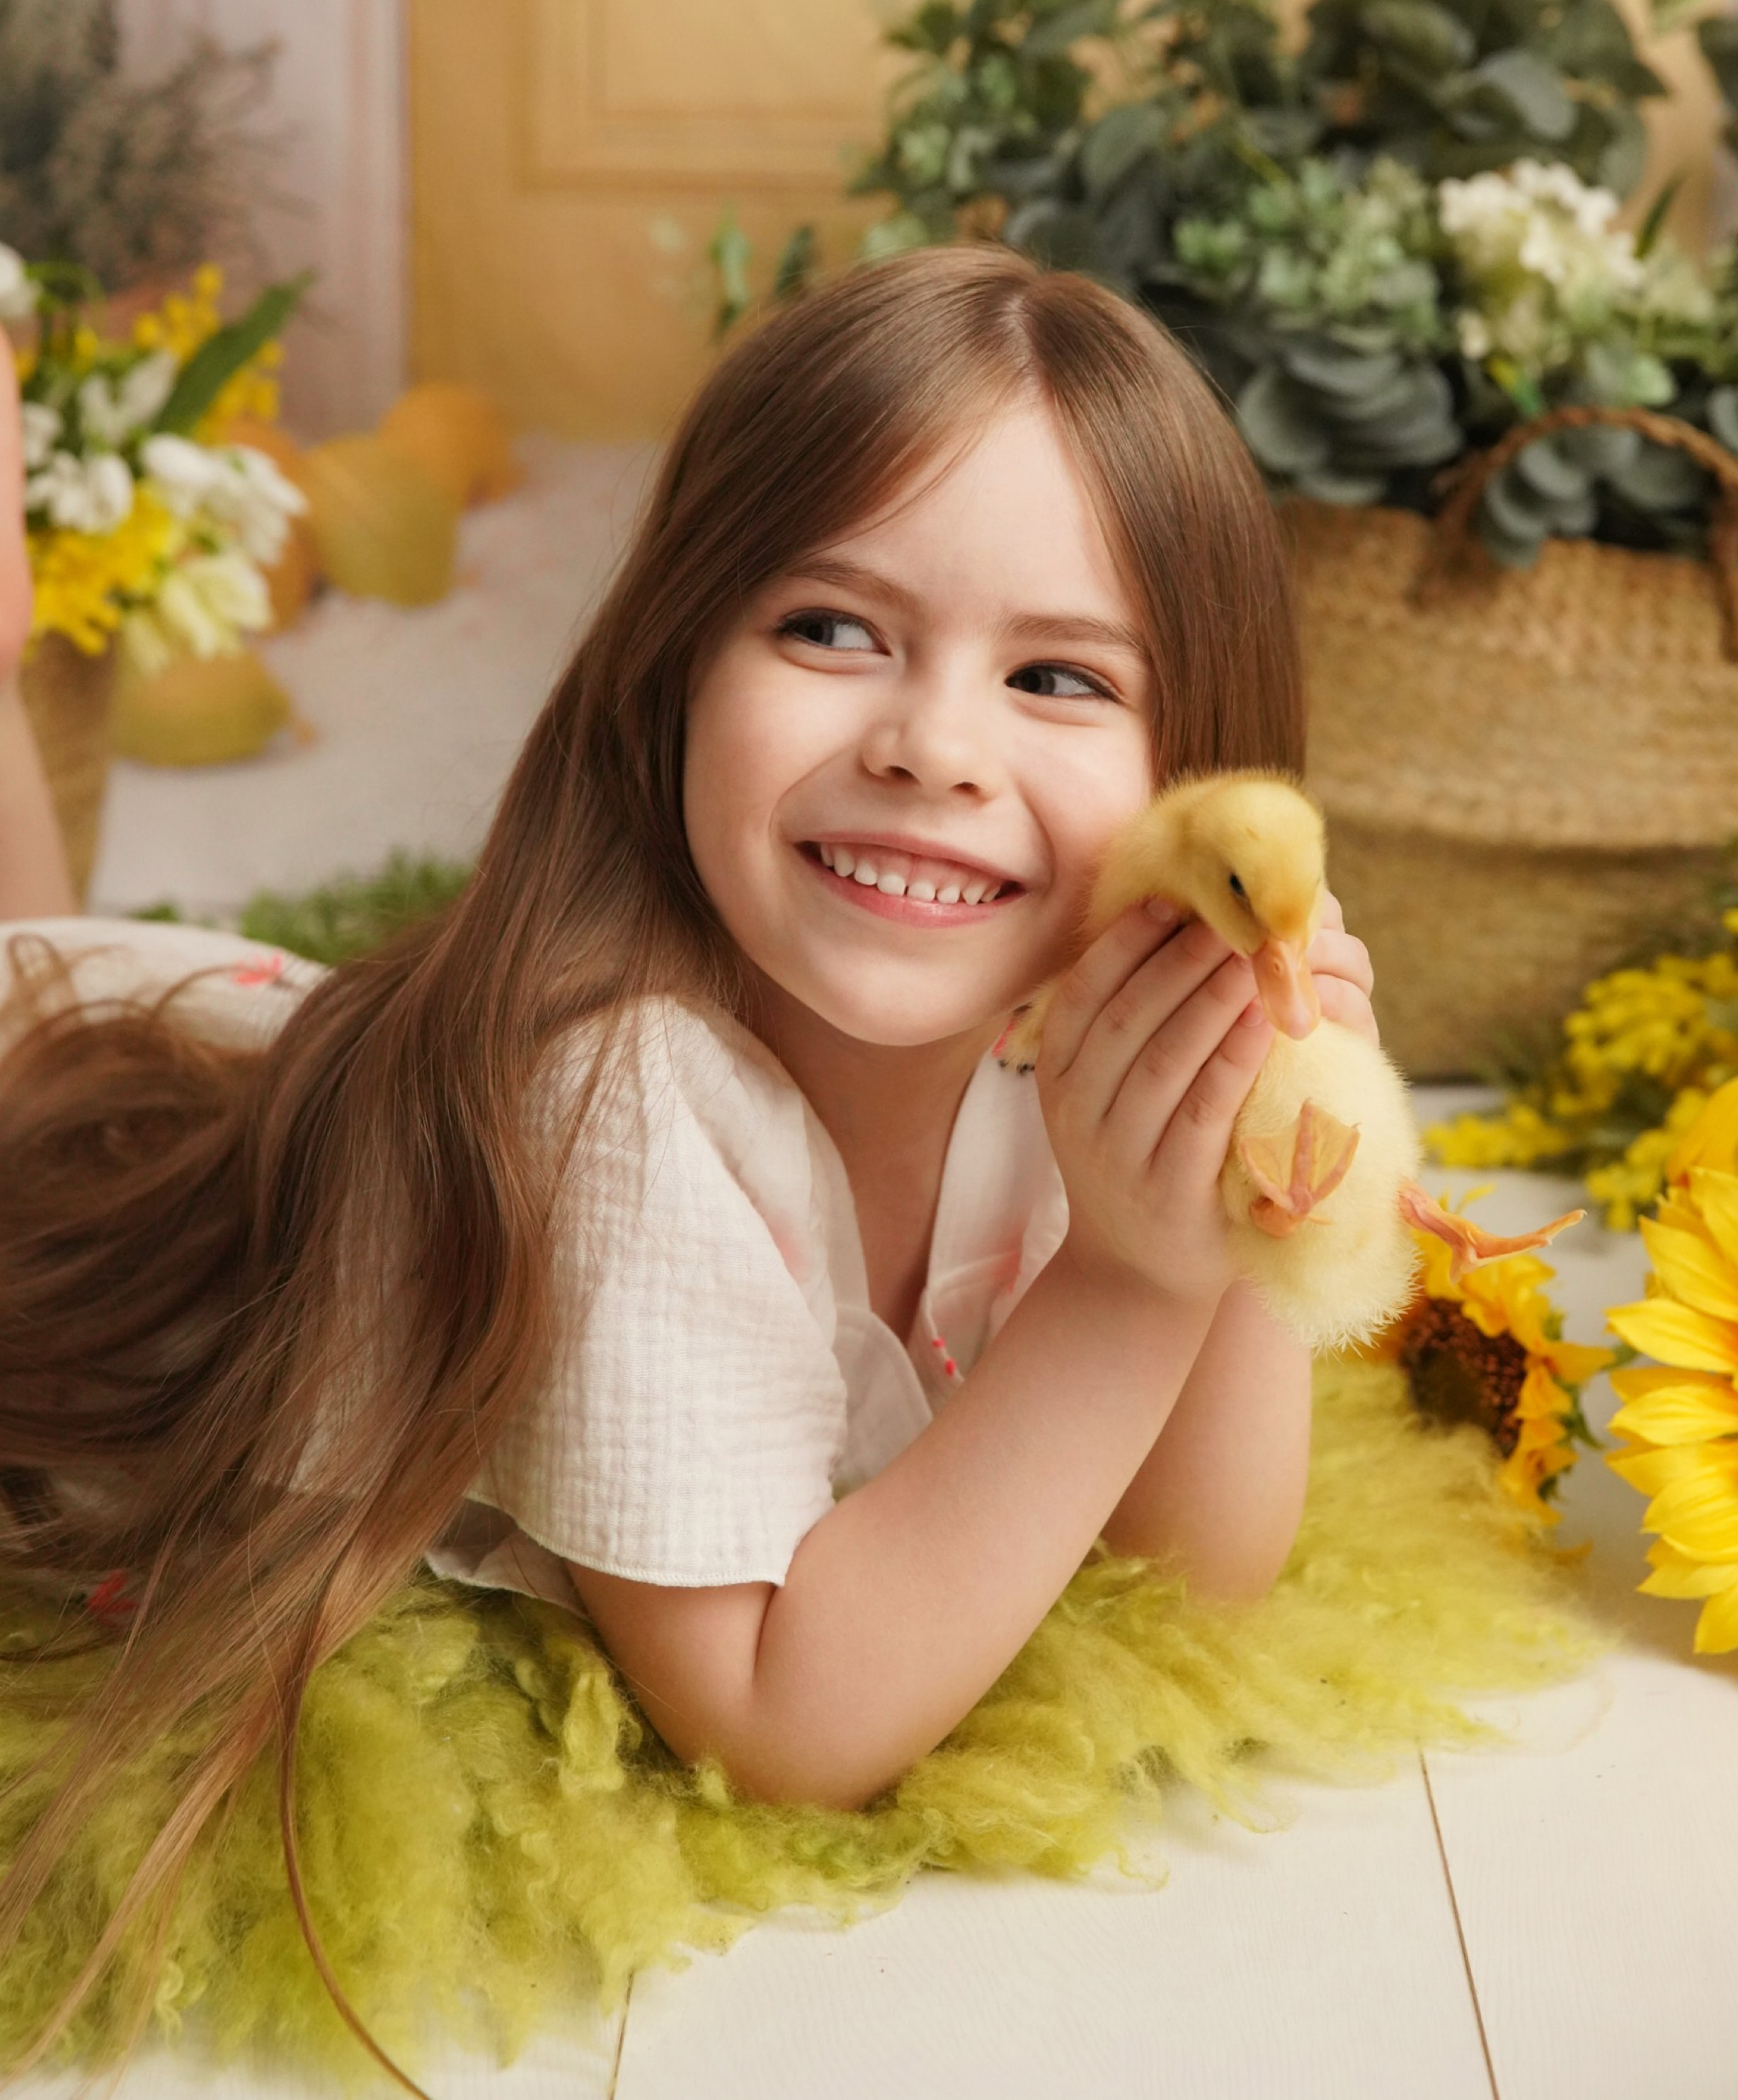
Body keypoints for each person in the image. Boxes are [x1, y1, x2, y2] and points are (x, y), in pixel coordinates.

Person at [0, 248, 1376, 1997]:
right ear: (671, 672)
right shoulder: (618, 1102)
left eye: (1058, 680)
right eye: (830, 630)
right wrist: (1123, 1284)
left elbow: (1200, 1573)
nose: (935, 746)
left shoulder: (1067, 1020)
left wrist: (1242, 1181)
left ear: (1203, 790)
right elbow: (777, 1716)